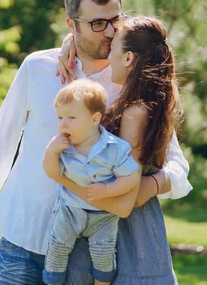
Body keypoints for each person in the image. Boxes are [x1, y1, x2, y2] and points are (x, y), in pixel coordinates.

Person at [0, 0, 192, 285]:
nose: (110, 31)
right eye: (98, 24)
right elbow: (2, 141)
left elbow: (175, 161)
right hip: (24, 237)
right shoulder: (38, 68)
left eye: (115, 20)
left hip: (84, 250)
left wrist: (148, 186)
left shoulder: (130, 79)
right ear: (72, 24)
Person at [57, 15, 184, 284]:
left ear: (128, 58)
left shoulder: (135, 113)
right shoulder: (148, 103)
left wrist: (63, 179)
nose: (108, 57)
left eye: (113, 48)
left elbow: (128, 202)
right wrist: (70, 41)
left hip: (131, 239)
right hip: (130, 233)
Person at [42, 79, 140, 285]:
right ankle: (52, 281)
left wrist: (108, 189)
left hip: (103, 217)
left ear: (95, 119)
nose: (63, 124)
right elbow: (52, 173)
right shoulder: (62, 146)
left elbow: (131, 177)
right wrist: (51, 152)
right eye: (60, 117)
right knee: (58, 247)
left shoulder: (114, 148)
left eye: (71, 117)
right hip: (70, 210)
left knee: (104, 253)